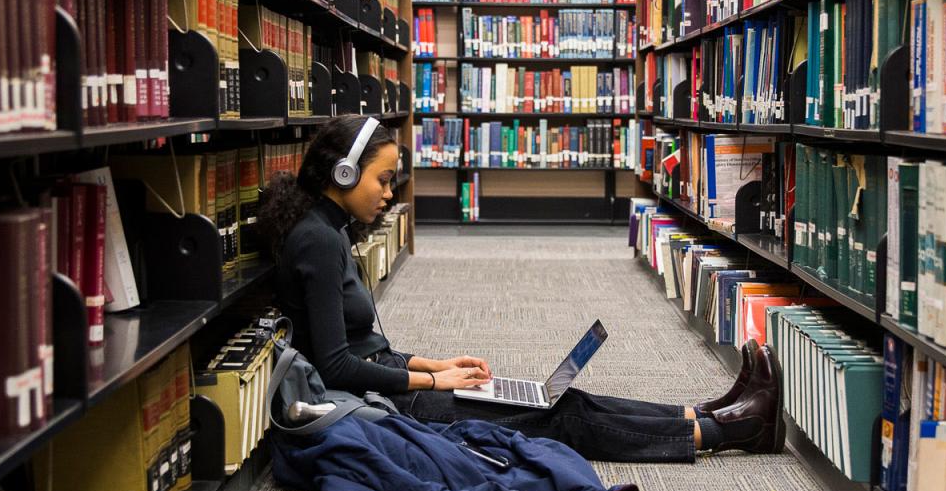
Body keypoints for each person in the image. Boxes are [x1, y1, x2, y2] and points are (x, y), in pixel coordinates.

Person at [258, 114, 780, 463]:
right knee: (559, 418)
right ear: (343, 173)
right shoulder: (318, 243)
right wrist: (434, 385)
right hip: (390, 408)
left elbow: (363, 348)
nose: (391, 193)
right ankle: (727, 432)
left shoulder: (328, 229)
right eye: (383, 180)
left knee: (558, 399)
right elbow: (337, 368)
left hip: (398, 386)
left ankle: (706, 411)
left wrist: (436, 365)